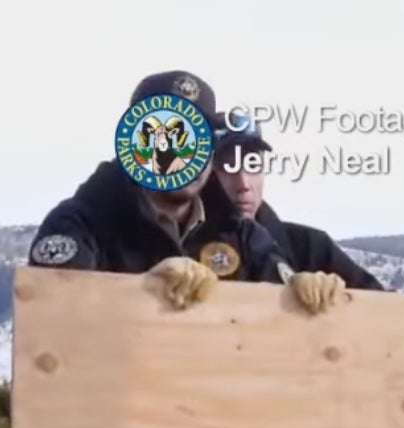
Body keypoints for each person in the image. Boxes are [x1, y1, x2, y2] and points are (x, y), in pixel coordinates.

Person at [25, 71, 347, 316]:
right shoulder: (83, 222)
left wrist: (301, 298)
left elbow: (277, 311)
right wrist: (142, 291)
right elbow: (51, 310)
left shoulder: (241, 233)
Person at [209, 110, 385, 290]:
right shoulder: (185, 250)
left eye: (253, 165)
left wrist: (337, 303)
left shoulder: (310, 249)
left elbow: (390, 308)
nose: (244, 183)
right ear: (207, 173)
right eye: (228, 167)